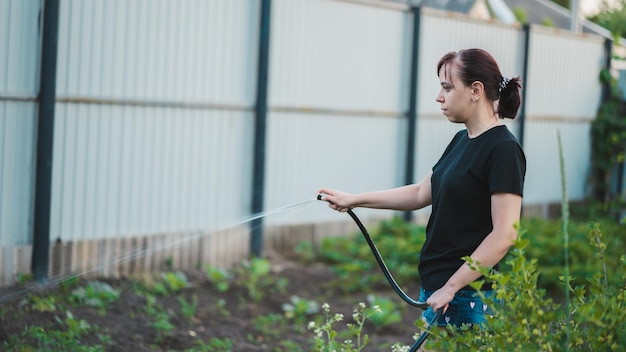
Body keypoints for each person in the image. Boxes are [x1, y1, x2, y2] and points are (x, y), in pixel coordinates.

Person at [317, 48, 526, 328]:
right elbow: (419, 193)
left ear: (476, 90)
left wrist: (452, 287)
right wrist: (354, 199)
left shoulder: (503, 150)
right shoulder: (461, 140)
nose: (439, 97)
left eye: (447, 87)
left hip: (467, 295)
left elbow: (505, 234)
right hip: (440, 288)